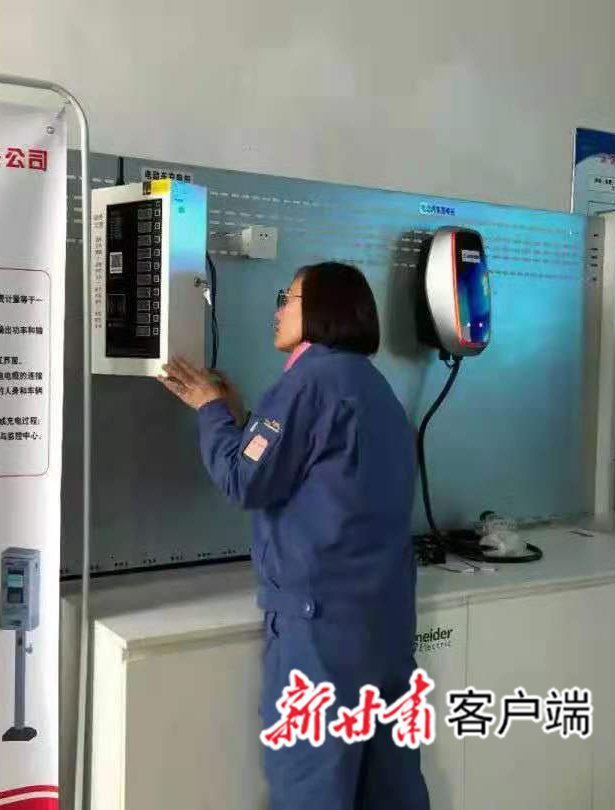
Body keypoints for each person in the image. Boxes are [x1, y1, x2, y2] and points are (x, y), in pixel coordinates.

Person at [158, 262, 429, 810]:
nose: (279, 309)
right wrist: (241, 418)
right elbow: (310, 471)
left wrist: (210, 410)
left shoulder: (306, 383)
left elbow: (245, 480)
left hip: (319, 631)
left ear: (323, 310)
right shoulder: (375, 388)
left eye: (290, 297)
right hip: (385, 623)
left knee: (313, 786)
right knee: (388, 787)